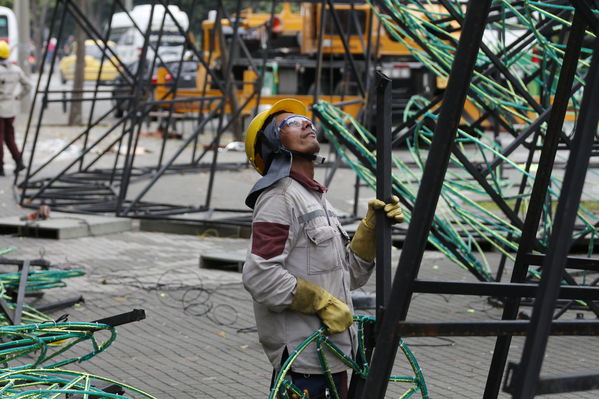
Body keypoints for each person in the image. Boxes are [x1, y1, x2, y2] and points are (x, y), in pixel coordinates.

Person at [242, 98, 404, 398]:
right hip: (303, 359)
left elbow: (348, 275)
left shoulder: (316, 199)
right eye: (290, 123)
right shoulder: (279, 198)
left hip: (334, 353)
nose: (306, 123)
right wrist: (321, 302)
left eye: (306, 121)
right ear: (274, 142)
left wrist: (371, 228)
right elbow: (260, 276)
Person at [0, 41, 31, 176]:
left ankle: (0, 167)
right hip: (11, 108)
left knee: (0, 138)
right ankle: (19, 161)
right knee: (9, 137)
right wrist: (18, 97)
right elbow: (28, 86)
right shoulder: (15, 70)